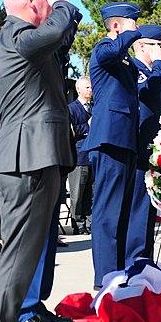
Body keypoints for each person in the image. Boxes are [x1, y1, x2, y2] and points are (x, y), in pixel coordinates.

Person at [0, 0, 78, 322]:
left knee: (25, 251)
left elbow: (58, 39)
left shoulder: (23, 40)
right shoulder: (16, 35)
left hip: (34, 158)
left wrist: (56, 8)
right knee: (19, 253)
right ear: (30, 0)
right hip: (26, 160)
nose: (53, 4)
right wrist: (62, 4)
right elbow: (56, 29)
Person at [16, 0, 79, 322]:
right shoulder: (26, 32)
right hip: (34, 146)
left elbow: (63, 41)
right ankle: (24, 308)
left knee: (47, 229)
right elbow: (54, 35)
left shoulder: (49, 35)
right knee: (34, 230)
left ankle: (36, 301)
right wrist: (59, 10)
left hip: (52, 143)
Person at [81, 1, 142, 289]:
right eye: (133, 23)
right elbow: (113, 50)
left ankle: (119, 270)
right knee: (107, 209)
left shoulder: (124, 58)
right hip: (109, 138)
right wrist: (127, 35)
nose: (137, 28)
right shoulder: (104, 48)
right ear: (117, 26)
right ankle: (105, 275)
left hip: (126, 138)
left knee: (122, 208)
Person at [128, 25, 161, 261]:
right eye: (157, 46)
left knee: (148, 210)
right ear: (142, 45)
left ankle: (146, 258)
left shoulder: (154, 72)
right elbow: (147, 94)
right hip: (139, 147)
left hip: (154, 149)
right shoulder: (135, 69)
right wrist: (160, 68)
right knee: (138, 210)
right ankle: (136, 261)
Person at [67, 76, 93, 235]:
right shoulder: (71, 108)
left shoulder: (94, 107)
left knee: (90, 193)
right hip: (79, 156)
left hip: (92, 156)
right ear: (78, 89)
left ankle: (90, 223)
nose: (90, 90)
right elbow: (71, 131)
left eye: (91, 88)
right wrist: (87, 126)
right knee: (78, 193)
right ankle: (78, 223)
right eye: (87, 88)